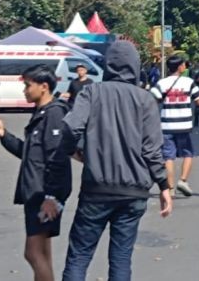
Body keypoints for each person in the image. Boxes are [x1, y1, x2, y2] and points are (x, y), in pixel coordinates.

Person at [43, 39, 172, 281]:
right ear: (134, 66)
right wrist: (164, 186)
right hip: (134, 192)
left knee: (79, 257)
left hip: (97, 188)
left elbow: (71, 128)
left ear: (109, 65)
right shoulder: (145, 100)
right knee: (121, 258)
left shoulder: (92, 92)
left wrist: (73, 151)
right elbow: (153, 151)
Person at [0, 65, 72, 281]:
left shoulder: (54, 114)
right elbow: (30, 154)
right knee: (42, 252)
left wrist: (52, 197)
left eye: (28, 85)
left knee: (33, 252)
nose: (24, 90)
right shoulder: (42, 113)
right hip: (36, 192)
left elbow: (57, 157)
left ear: (44, 87)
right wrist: (3, 135)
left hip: (43, 193)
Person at [150, 56, 199, 196]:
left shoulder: (162, 83)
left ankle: (171, 188)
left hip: (167, 124)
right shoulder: (189, 82)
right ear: (179, 67)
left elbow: (152, 100)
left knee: (168, 157)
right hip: (184, 124)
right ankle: (183, 180)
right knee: (188, 153)